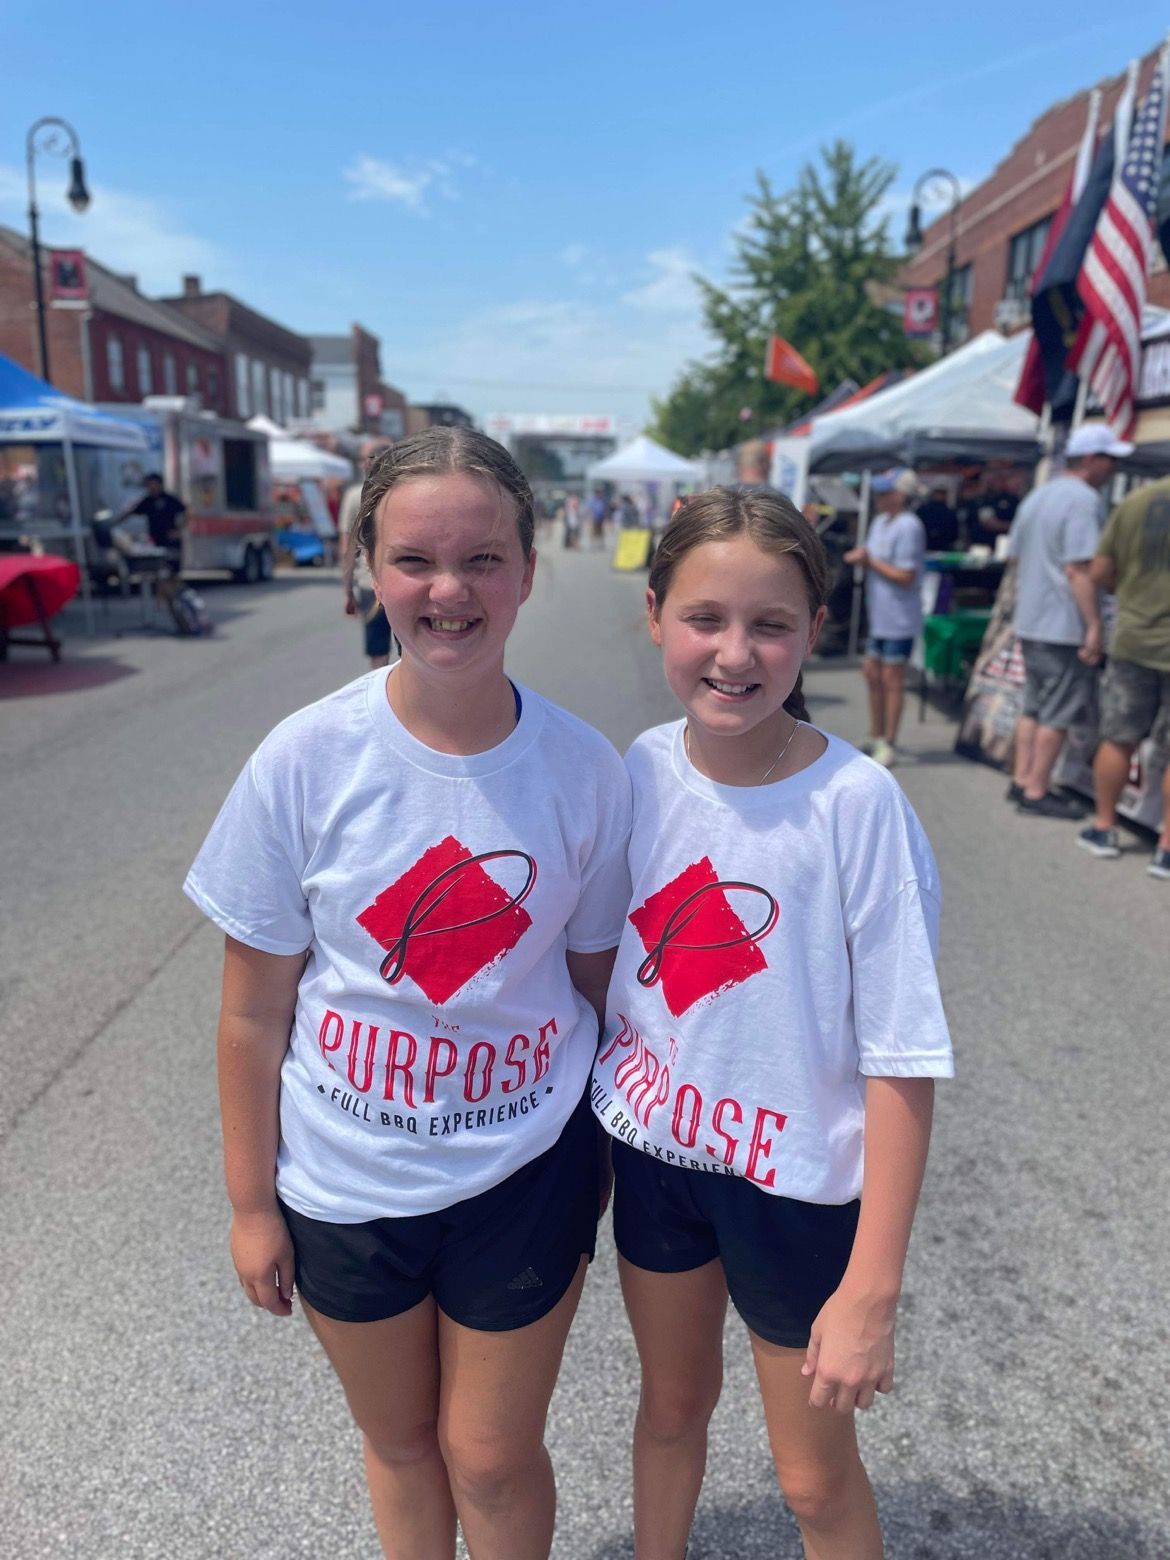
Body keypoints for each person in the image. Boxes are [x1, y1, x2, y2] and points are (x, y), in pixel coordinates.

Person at [184, 427, 632, 1560]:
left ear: (530, 570)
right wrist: (250, 1204)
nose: (448, 590)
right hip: (345, 1182)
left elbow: (596, 988)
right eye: (415, 560)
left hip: (524, 1167)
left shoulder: (585, 772)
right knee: (400, 1448)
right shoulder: (303, 760)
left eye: (483, 559)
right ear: (367, 571)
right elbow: (252, 1010)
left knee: (489, 1454)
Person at [592, 486, 952, 1560]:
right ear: (654, 612)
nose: (734, 654)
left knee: (811, 1480)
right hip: (656, 1157)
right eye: (705, 618)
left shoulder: (857, 807)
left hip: (793, 1185)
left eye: (771, 625)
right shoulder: (641, 769)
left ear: (814, 633)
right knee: (667, 1412)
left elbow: (902, 1052)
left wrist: (873, 1286)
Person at [1006, 425, 1132, 818]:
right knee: (1056, 711)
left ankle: (1021, 778)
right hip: (1061, 623)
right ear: (1091, 460)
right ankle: (1037, 788)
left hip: (1032, 619)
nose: (1113, 467)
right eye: (1109, 459)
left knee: (1034, 706)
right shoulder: (1083, 500)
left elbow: (1015, 559)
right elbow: (1080, 569)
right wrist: (1094, 624)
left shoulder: (1039, 495)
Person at [1077, 476, 1170, 878]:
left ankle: (1104, 827)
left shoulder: (1135, 501)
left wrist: (1131, 590)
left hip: (1134, 638)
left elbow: (1099, 570)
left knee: (1119, 737)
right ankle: (1166, 850)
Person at [844, 468, 927, 767]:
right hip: (879, 613)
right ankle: (876, 734)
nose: (878, 499)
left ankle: (889, 740)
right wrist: (864, 559)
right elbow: (876, 558)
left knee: (892, 679)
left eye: (884, 493)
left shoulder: (909, 526)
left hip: (899, 616)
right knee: (872, 674)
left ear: (900, 496)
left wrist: (869, 562)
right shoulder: (880, 522)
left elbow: (905, 575)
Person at [340, 442, 394, 668]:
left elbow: (347, 548)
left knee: (378, 651)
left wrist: (347, 592)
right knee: (412, 648)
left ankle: (382, 699)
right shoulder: (406, 491)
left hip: (369, 583)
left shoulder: (355, 495)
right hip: (408, 578)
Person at [916, 485, 959, 553]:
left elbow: (954, 534)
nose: (940, 495)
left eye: (942, 493)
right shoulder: (922, 511)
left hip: (944, 549)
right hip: (924, 547)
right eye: (938, 492)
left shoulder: (950, 513)